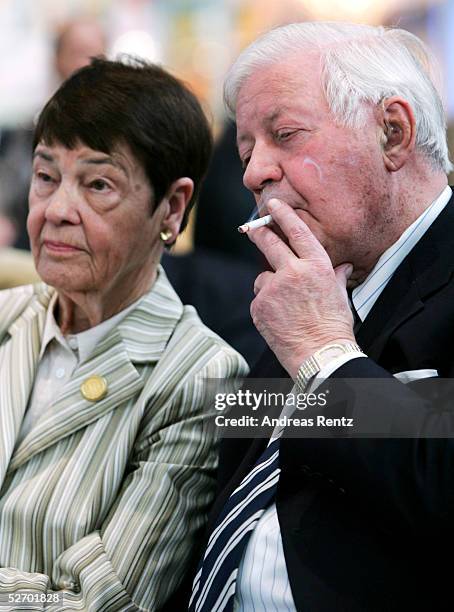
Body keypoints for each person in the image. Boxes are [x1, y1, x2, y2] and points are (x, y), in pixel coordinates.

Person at [189, 22, 454, 612]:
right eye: (246, 149)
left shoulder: (308, 322)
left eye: (284, 135)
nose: (254, 173)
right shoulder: (297, 300)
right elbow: (218, 478)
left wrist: (325, 354)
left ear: (393, 132)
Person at [0, 57, 247, 611]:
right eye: (46, 177)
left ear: (172, 207)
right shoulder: (8, 317)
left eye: (98, 184)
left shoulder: (194, 374)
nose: (57, 210)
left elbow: (103, 602)